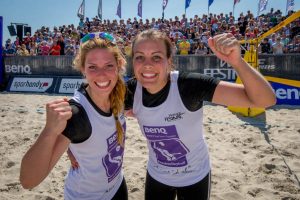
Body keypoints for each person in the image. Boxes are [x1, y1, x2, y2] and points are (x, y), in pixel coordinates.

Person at [69, 29, 276, 200]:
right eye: (140, 57)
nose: (147, 64)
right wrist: (71, 146)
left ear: (169, 60)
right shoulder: (129, 91)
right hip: (157, 176)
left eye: (156, 57)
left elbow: (265, 100)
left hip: (195, 176)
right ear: (133, 62)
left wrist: (237, 62)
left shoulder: (189, 86)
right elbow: (91, 108)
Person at [20, 32, 128, 200]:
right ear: (83, 69)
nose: (101, 74)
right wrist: (49, 131)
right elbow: (28, 181)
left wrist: (72, 148)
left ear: (119, 65)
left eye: (108, 66)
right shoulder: (76, 114)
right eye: (92, 67)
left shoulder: (120, 93)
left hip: (118, 185)